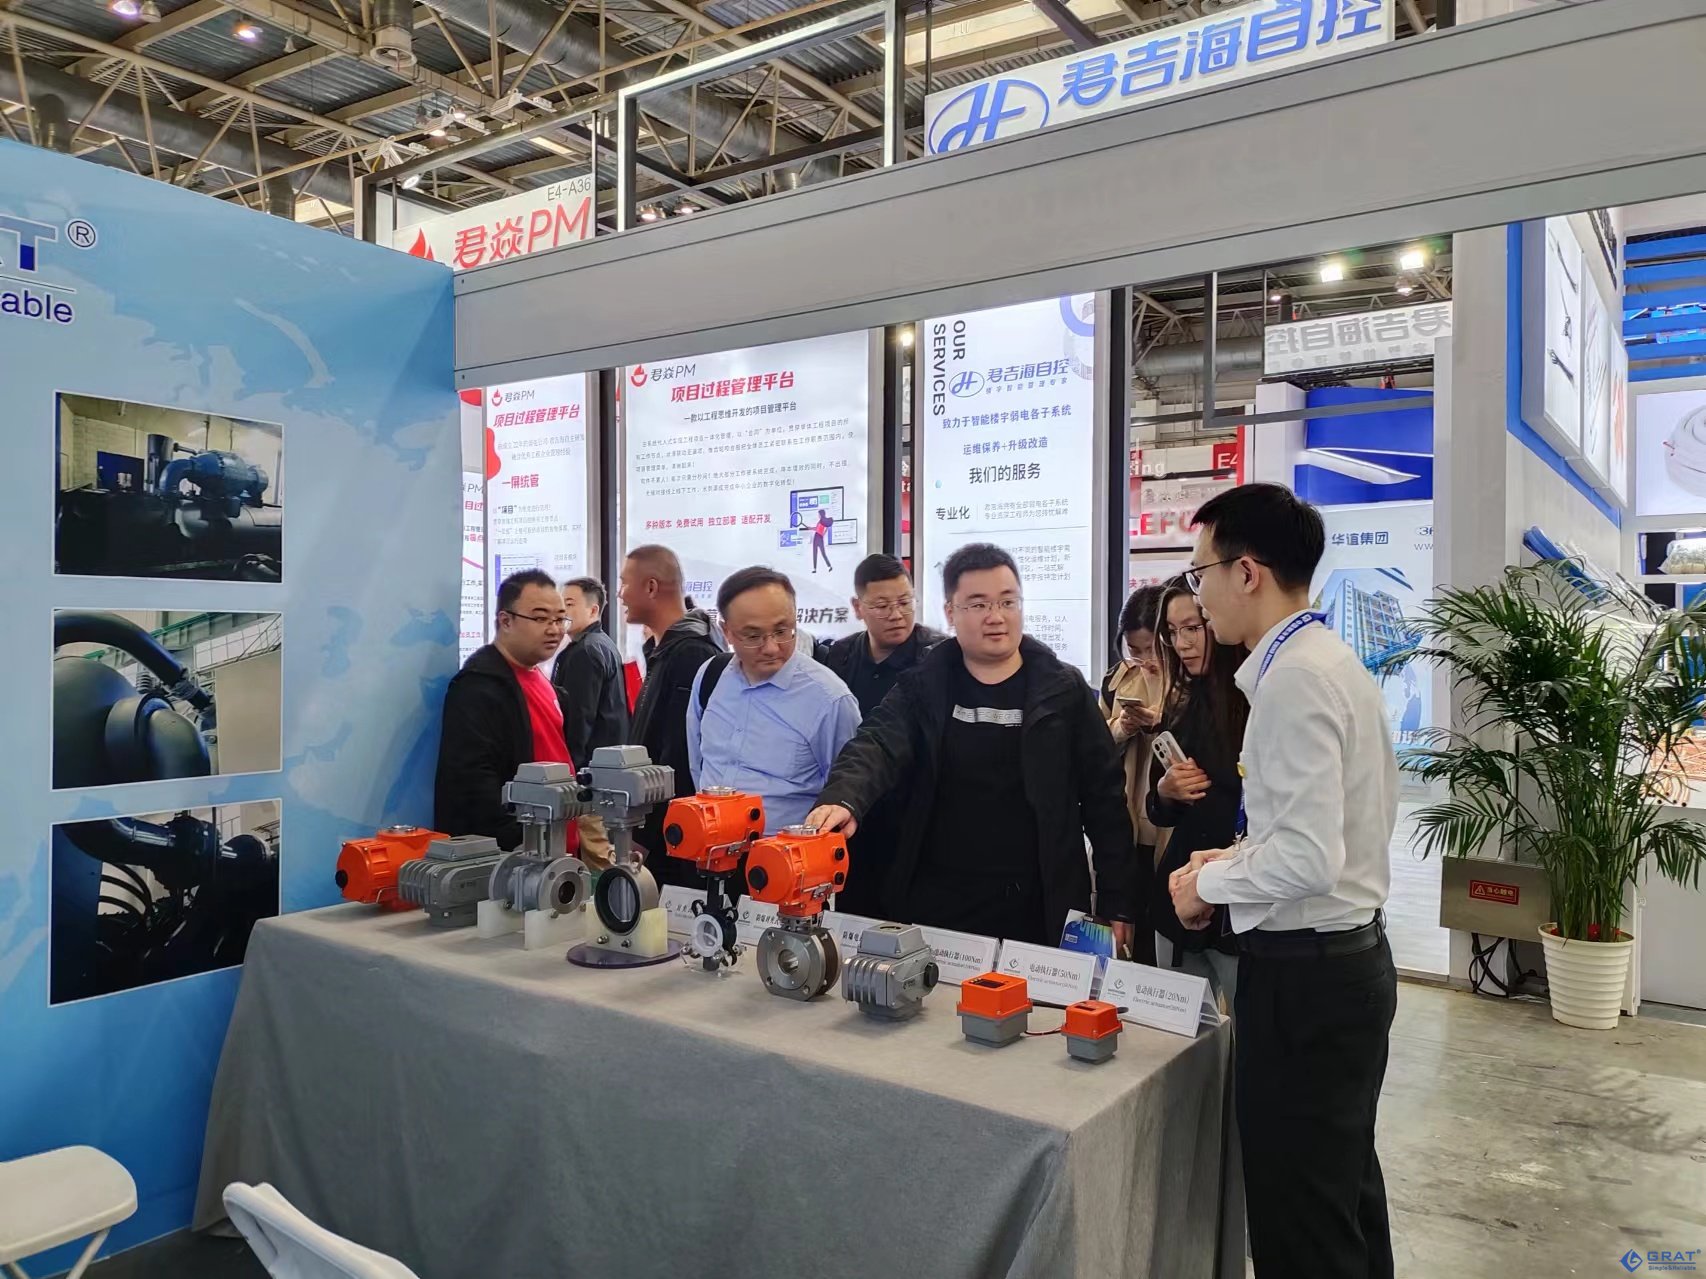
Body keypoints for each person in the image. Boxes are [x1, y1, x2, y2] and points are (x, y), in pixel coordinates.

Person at [1168, 483, 1398, 1279]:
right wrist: (1229, 860)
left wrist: (1207, 886)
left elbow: (1308, 858)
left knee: (1301, 1222)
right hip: (1340, 967)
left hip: (1306, 984)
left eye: (1200, 573)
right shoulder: (1325, 661)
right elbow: (1317, 835)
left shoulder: (1296, 679)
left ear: (1248, 572)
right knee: (1342, 1200)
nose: (1197, 595)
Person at [807, 544, 1136, 951]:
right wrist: (843, 799)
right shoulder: (924, 685)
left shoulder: (1063, 690)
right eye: (978, 604)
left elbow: (1105, 799)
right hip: (940, 902)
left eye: (1007, 602)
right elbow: (876, 744)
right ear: (950, 612)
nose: (996, 617)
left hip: (1041, 902)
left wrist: (1118, 899)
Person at [817, 554, 946, 913]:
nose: (897, 614)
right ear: (858, 607)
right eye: (882, 605)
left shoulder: (937, 658)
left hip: (914, 820)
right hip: (853, 813)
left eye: (905, 602)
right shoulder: (839, 657)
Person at [687, 567, 861, 833]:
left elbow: (844, 791)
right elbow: (697, 762)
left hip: (783, 853)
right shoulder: (710, 676)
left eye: (782, 631)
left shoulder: (829, 699)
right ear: (727, 631)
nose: (771, 648)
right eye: (753, 636)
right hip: (706, 847)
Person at [1145, 577, 1248, 1001]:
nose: (1182, 643)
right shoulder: (1180, 703)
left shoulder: (1257, 701)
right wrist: (1166, 791)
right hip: (1179, 892)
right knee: (1178, 1026)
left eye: (1192, 628)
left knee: (1247, 1031)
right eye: (1172, 632)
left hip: (1242, 898)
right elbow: (1158, 810)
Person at [434, 569, 579, 856]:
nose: (554, 629)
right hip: (518, 855)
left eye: (560, 619)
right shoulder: (479, 686)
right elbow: (473, 781)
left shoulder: (544, 681)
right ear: (505, 620)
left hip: (560, 849)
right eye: (540, 618)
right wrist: (519, 842)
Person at [620, 545, 723, 885]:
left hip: (673, 837)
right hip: (655, 828)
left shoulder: (691, 652)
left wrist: (645, 836)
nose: (620, 594)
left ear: (651, 587)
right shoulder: (666, 649)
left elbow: (679, 757)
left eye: (624, 583)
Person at [551, 576, 630, 869]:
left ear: (593, 610)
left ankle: (610, 897)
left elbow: (579, 718)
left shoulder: (585, 652)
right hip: (605, 769)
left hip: (588, 774)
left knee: (596, 851)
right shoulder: (602, 644)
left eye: (569, 604)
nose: (563, 611)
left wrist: (568, 771)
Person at [811, 510, 833, 574]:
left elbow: (817, 529)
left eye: (818, 514)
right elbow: (821, 529)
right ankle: (829, 566)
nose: (818, 515)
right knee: (822, 553)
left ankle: (815, 569)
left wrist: (810, 528)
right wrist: (823, 534)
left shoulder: (821, 521)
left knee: (815, 553)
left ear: (821, 514)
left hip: (817, 537)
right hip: (820, 537)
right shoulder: (824, 521)